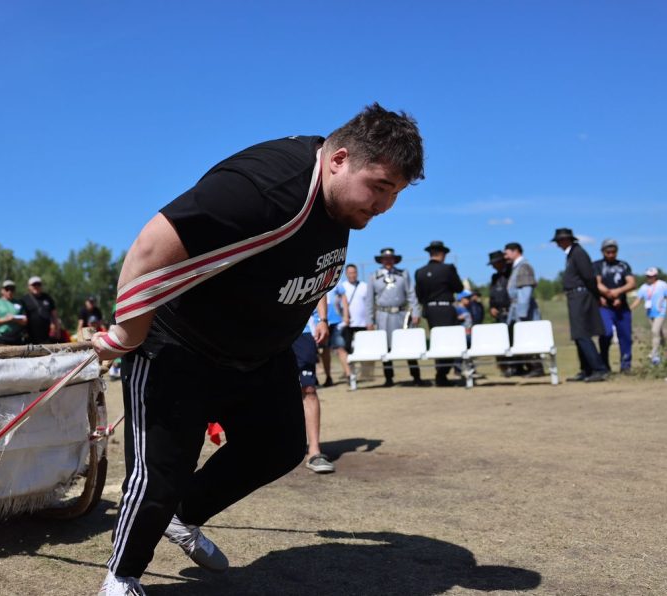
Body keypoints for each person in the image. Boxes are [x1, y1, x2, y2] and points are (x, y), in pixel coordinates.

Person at [89, 104, 424, 593]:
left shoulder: (339, 203)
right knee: (161, 472)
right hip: (180, 344)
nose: (384, 206)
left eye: (394, 194)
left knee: (281, 445)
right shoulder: (262, 187)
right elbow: (149, 248)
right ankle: (122, 576)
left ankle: (185, 516)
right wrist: (127, 334)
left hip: (258, 354)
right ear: (338, 159)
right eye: (378, 187)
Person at [552, 228, 608, 382]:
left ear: (567, 240)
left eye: (559, 241)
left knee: (582, 333)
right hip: (575, 296)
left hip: (581, 295)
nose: (558, 244)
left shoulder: (578, 253)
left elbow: (588, 276)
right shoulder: (572, 254)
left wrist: (596, 295)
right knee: (578, 334)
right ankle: (586, 368)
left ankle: (599, 368)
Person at [370, 247, 423, 387]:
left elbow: (411, 294)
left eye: (390, 258)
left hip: (401, 314)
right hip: (383, 315)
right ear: (381, 260)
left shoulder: (403, 274)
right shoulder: (374, 276)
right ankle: (389, 377)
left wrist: (416, 312)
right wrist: (369, 320)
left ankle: (416, 376)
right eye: (385, 259)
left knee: (408, 345)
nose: (388, 261)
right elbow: (369, 301)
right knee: (385, 347)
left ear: (394, 260)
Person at [293, 299, 334, 473]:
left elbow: (321, 286)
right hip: (272, 332)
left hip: (303, 331)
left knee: (308, 388)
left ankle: (314, 451)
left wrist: (323, 320)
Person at [414, 241, 463, 386]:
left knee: (437, 342)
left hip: (430, 310)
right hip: (445, 309)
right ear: (442, 254)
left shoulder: (420, 272)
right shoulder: (448, 269)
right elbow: (459, 288)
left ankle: (441, 373)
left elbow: (419, 295)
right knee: (449, 342)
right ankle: (442, 374)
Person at [593, 238, 635, 372]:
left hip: (621, 307)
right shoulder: (597, 265)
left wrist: (618, 292)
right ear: (603, 251)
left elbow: (631, 283)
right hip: (604, 307)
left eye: (613, 251)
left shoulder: (623, 265)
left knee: (625, 336)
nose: (611, 254)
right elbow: (596, 282)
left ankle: (626, 365)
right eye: (608, 252)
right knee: (606, 333)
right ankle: (604, 364)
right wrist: (605, 293)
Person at [504, 242, 543, 376]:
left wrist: (522, 313)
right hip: (516, 307)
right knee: (522, 338)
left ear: (516, 251)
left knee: (528, 336)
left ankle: (536, 367)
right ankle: (529, 366)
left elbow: (525, 292)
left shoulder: (524, 267)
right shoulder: (517, 267)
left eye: (507, 252)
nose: (505, 256)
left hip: (522, 309)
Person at [629, 267, 667, 365]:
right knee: (659, 334)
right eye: (648, 276)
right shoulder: (644, 287)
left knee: (654, 331)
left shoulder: (662, 285)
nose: (650, 278)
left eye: (652, 276)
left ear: (655, 276)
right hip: (650, 313)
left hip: (660, 312)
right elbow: (638, 300)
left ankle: (654, 354)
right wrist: (629, 309)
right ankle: (666, 353)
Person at [319, 282, 351, 387]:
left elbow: (344, 297)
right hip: (318, 322)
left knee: (340, 348)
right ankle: (328, 377)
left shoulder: (335, 279)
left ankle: (349, 375)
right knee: (324, 350)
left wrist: (346, 315)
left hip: (335, 321)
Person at [338, 264, 374, 352]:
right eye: (350, 273)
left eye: (354, 272)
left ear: (357, 273)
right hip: (347, 324)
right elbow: (337, 305)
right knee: (347, 348)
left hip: (363, 324)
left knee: (365, 349)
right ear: (346, 274)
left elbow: (370, 304)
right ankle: (349, 366)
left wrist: (370, 321)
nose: (352, 275)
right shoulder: (342, 287)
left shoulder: (364, 286)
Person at [23, 276, 61, 344]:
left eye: (38, 284)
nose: (36, 286)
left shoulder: (48, 298)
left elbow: (54, 315)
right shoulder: (24, 299)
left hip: (46, 335)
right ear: (29, 287)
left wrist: (57, 330)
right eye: (34, 285)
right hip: (30, 336)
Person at [0, 280, 27, 345]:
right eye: (7, 289)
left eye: (12, 289)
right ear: (2, 290)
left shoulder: (19, 303)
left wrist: (14, 319)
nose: (9, 291)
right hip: (1, 337)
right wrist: (6, 319)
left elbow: (25, 321)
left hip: (17, 337)